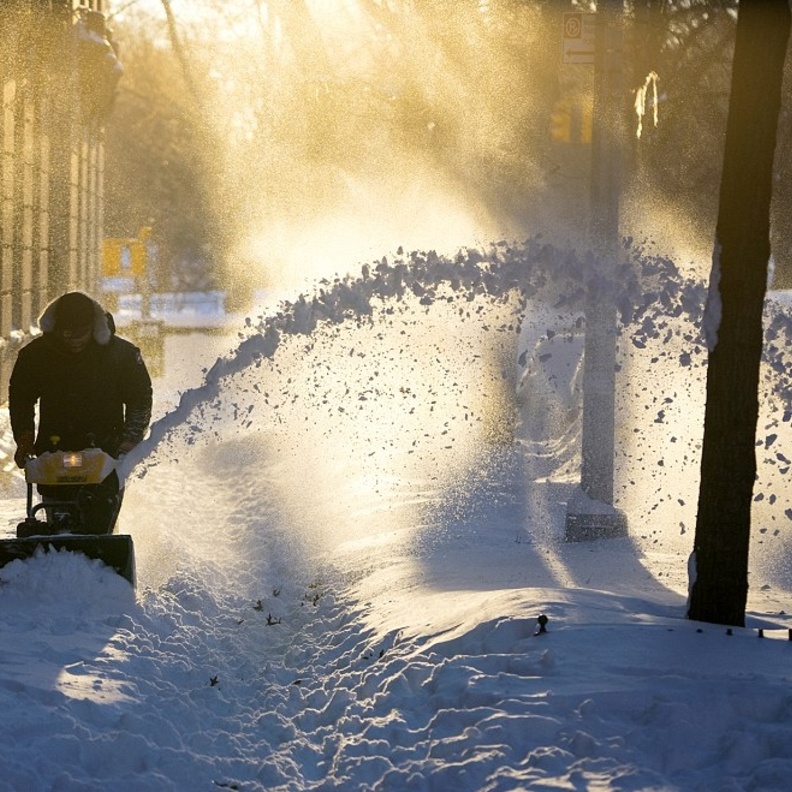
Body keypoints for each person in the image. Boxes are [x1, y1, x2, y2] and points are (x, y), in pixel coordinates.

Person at [8, 291, 152, 534]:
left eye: (80, 334)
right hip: (54, 452)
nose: (74, 340)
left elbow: (140, 398)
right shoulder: (36, 355)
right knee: (57, 522)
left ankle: (100, 556)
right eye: (66, 334)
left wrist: (129, 440)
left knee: (100, 522)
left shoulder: (122, 355)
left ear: (93, 327)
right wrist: (24, 437)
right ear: (56, 329)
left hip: (107, 453)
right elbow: (20, 397)